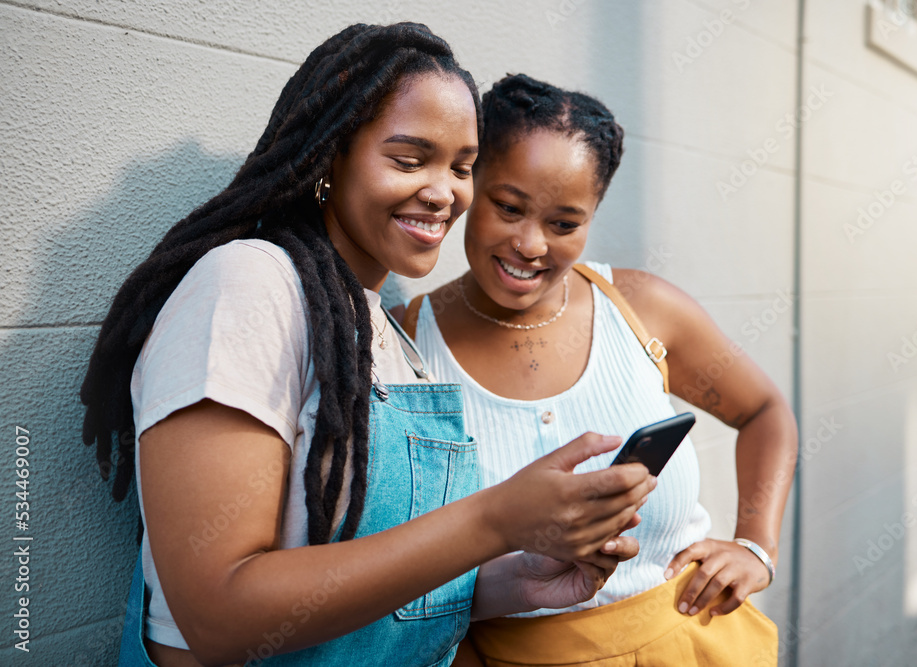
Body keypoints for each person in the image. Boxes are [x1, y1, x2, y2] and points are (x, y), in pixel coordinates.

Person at [80, 27, 657, 667]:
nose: (444, 193)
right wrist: (495, 519)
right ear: (330, 157)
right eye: (409, 160)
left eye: (462, 167)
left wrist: (519, 578)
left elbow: (378, 588)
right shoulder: (250, 286)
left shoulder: (386, 333)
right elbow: (216, 613)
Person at [402, 73, 799, 665]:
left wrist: (755, 547)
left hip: (691, 644)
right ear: (469, 183)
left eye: (565, 224)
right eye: (509, 208)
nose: (531, 244)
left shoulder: (642, 308)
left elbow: (765, 412)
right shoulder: (406, 345)